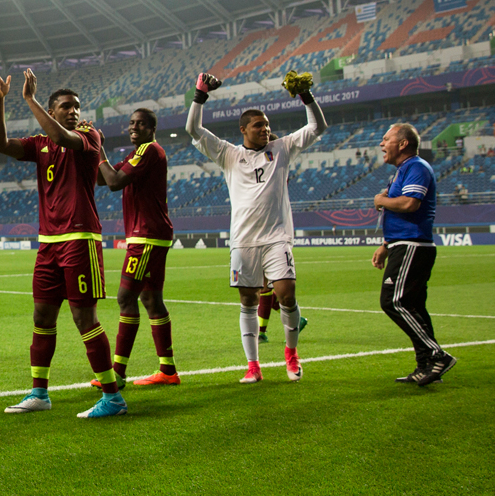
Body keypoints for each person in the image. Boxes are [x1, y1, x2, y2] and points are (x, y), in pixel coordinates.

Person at [0, 67, 122, 419]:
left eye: (76, 106)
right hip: (49, 242)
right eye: (65, 106)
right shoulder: (40, 143)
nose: (73, 111)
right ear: (53, 111)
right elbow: (0, 145)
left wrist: (29, 99)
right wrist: (0, 102)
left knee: (84, 318)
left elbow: (64, 138)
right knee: (42, 316)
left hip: (80, 238)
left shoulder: (89, 136)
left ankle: (112, 397)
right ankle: (39, 392)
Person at [187, 70, 325, 384]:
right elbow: (193, 128)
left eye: (267, 125)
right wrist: (200, 94)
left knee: (286, 294)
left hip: (277, 237)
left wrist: (306, 97)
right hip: (244, 241)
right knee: (248, 300)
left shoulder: (283, 150)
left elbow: (318, 126)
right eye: (258, 125)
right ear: (244, 129)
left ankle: (291, 357)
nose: (265, 129)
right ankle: (253, 366)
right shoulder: (228, 154)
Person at [95, 107, 178, 389]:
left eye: (141, 124)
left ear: (152, 128)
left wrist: (99, 148)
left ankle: (117, 372)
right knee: (151, 300)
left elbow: (115, 182)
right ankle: (167, 369)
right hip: (151, 235)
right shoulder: (137, 154)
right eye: (131, 123)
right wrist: (92, 150)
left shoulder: (149, 151)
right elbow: (103, 178)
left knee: (125, 298)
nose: (134, 127)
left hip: (146, 237)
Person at [371, 123, 454, 385]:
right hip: (404, 244)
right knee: (415, 305)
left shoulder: (416, 167)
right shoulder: (402, 171)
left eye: (386, 139)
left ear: (403, 143)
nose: (382, 144)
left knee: (394, 302)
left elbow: (409, 203)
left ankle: (436, 354)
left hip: (412, 246)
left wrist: (381, 200)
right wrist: (386, 245)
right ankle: (426, 366)